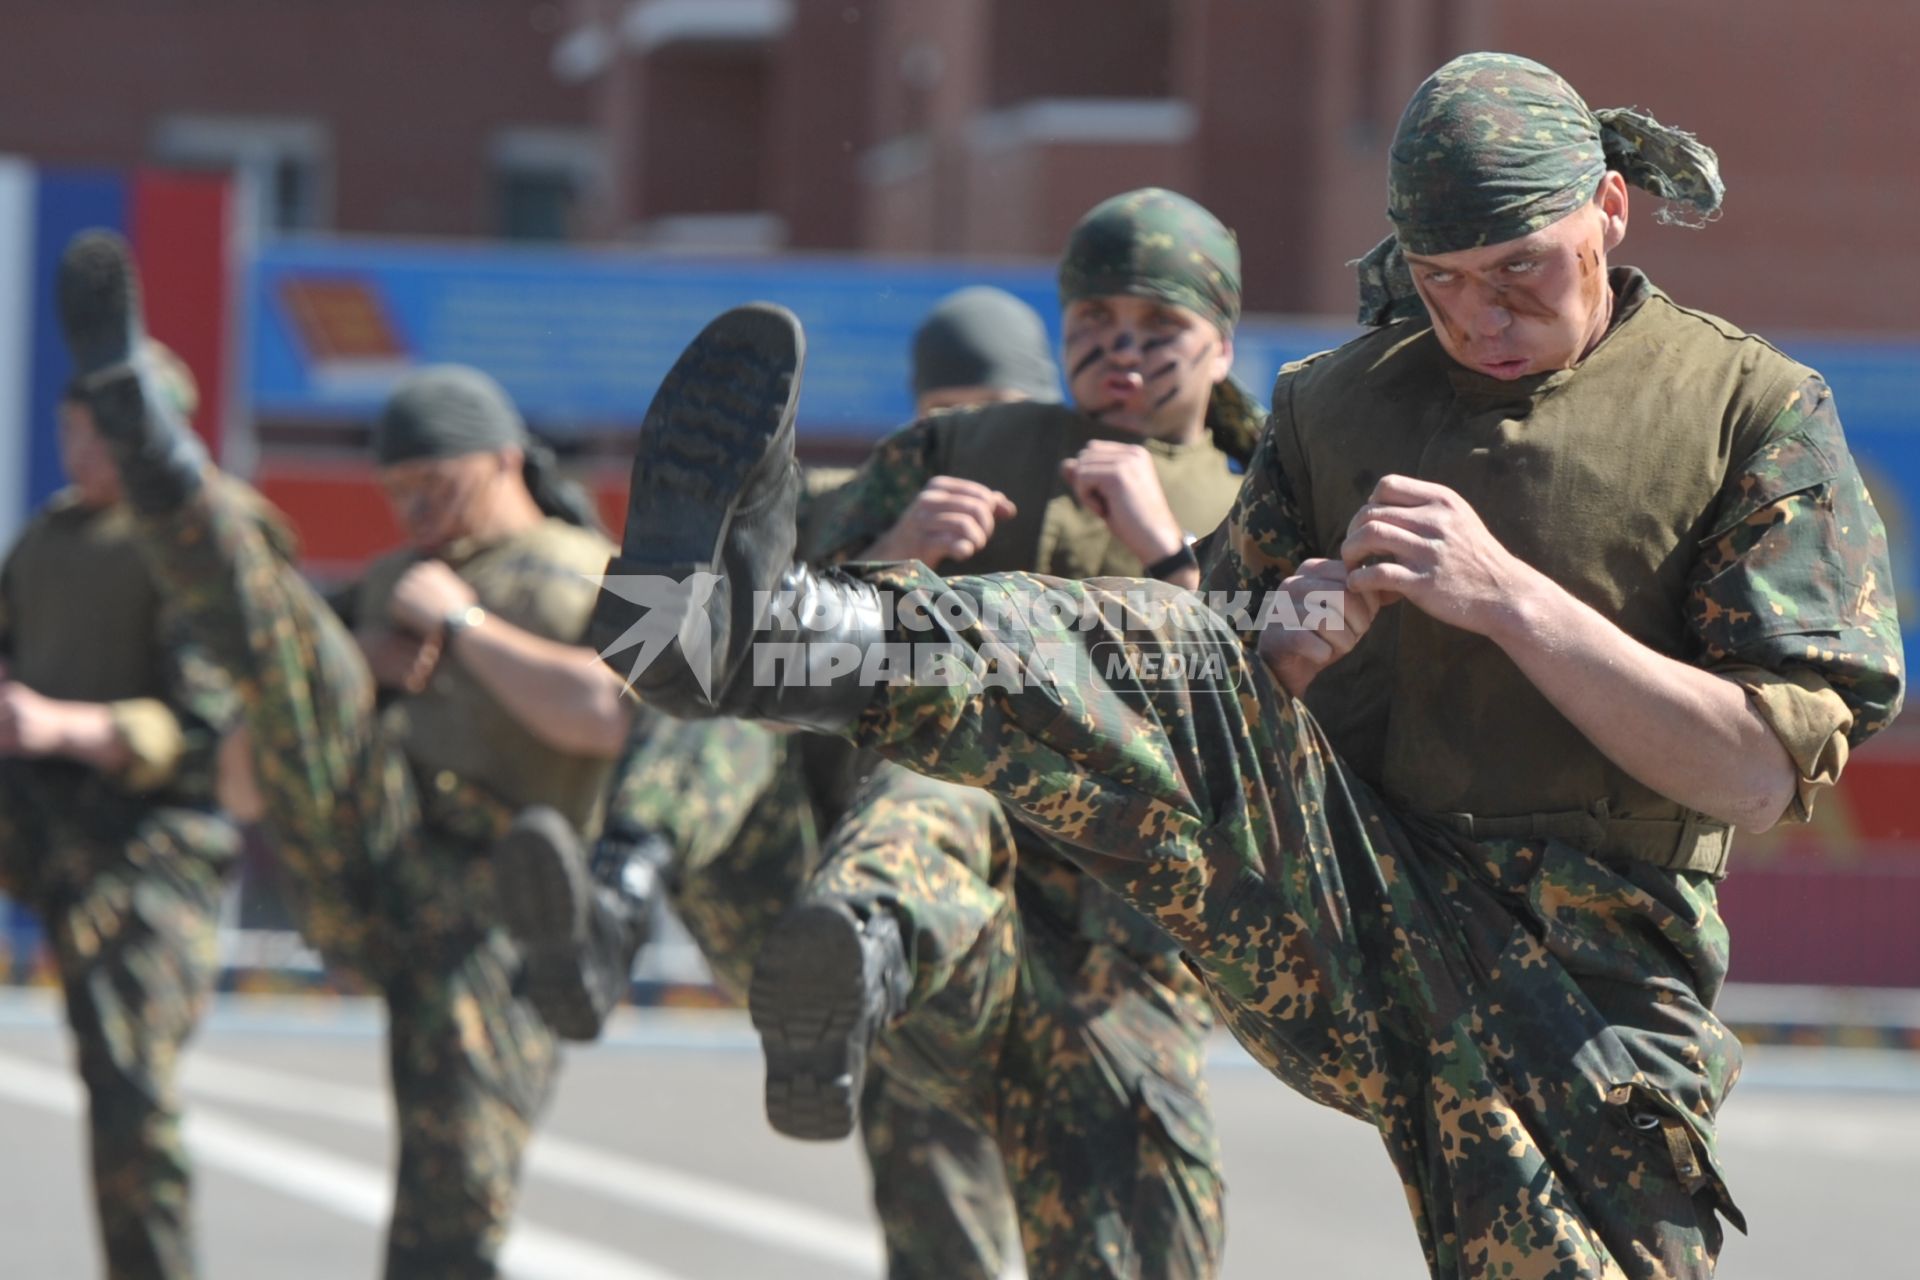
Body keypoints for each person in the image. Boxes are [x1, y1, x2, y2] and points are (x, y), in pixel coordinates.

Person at [589, 55, 1905, 1280]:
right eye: (1439, 279)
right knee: (1179, 655)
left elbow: (1755, 771)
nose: (1479, 317)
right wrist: (1284, 653)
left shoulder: (1749, 410)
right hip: (1344, 892)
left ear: (1611, 210)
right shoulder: (1335, 404)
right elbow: (1187, 668)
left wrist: (1511, 600)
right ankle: (772, 638)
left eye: (1519, 273)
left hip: (1591, 969)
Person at [605, 189, 1254, 1278]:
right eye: (1094, 321)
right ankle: (848, 946)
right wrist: (896, 547)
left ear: (1222, 340)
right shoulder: (971, 443)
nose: (1122, 349)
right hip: (938, 921)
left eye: (1159, 326)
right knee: (941, 761)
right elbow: (805, 608)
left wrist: (1167, 551)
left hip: (1124, 949)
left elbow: (1276, 704)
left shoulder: (1262, 489)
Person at [55, 231, 637, 1278]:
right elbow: (243, 776)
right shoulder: (384, 583)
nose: (414, 512)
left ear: (504, 458)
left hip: (508, 913)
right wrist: (349, 670)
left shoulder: (584, 567)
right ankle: (169, 467)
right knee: (281, 627)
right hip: (377, 868)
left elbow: (606, 716)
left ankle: (166, 463)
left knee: (446, 1214)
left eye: (438, 484)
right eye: (399, 489)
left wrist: (463, 627)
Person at [501, 283, 1070, 1279]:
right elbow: (713, 673)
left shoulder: (1085, 517)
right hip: (812, 926)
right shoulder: (850, 506)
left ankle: (839, 940)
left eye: (993, 413)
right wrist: (888, 564)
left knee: (945, 1224)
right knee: (717, 686)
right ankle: (613, 903)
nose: (968, 437)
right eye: (944, 416)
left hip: (977, 916)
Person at [0, 346, 254, 1280]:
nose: (79, 450)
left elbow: (206, 730)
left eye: (100, 433)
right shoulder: (54, 535)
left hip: (152, 843)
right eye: (69, 428)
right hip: (42, 814)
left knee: (130, 1087)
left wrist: (69, 725)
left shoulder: (197, 542)